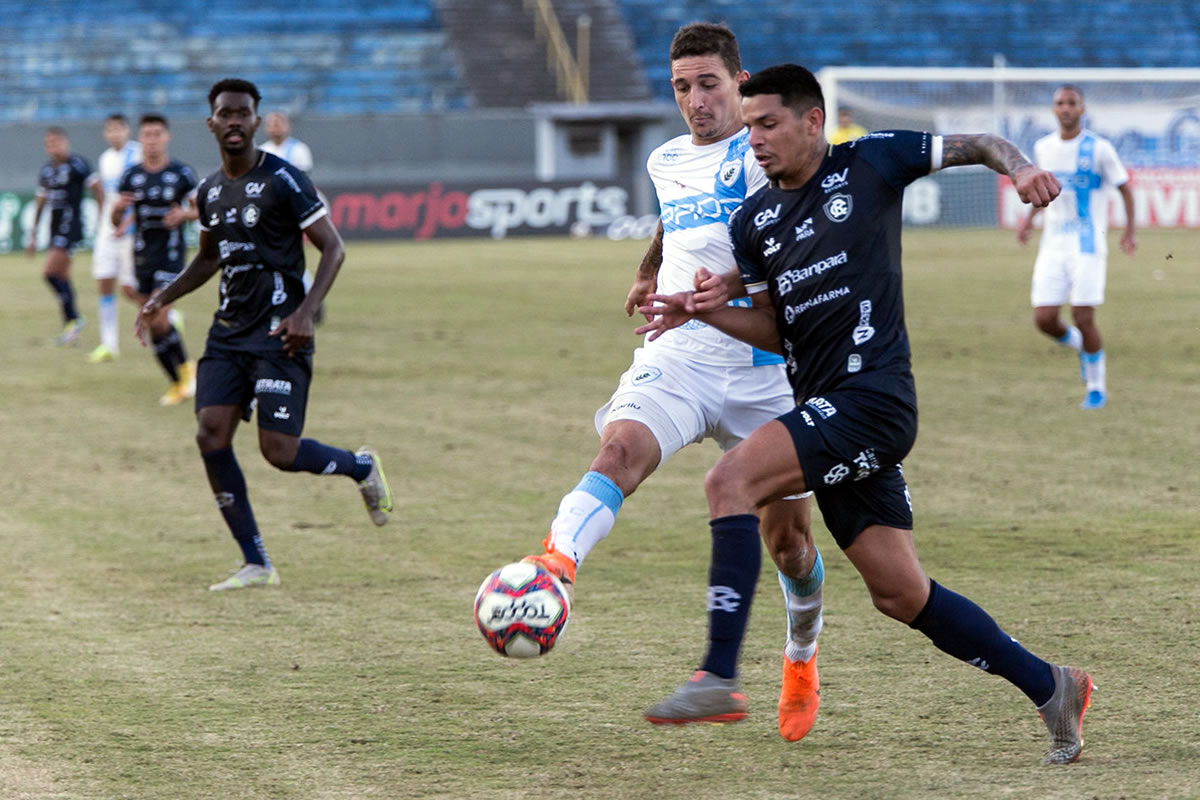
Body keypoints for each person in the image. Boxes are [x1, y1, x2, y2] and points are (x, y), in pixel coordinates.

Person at [637, 64, 1093, 765]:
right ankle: (1052, 686)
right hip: (823, 404)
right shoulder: (754, 222)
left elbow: (977, 142)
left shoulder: (871, 160)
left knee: (729, 481)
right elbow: (774, 329)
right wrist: (707, 312)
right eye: (749, 126)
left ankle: (719, 675)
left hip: (872, 398)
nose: (752, 140)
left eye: (767, 124)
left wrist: (1022, 167)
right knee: (899, 593)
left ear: (812, 121)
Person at [521, 23, 826, 741]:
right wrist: (650, 266)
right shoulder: (665, 159)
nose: (696, 100)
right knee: (619, 451)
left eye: (709, 84)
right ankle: (553, 566)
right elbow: (675, 215)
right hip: (683, 350)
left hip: (766, 366)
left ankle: (801, 657)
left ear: (740, 81)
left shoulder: (769, 151)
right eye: (683, 87)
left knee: (789, 543)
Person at [135, 78, 394, 591]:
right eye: (224, 114)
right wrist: (163, 296)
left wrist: (305, 311)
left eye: (243, 113)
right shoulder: (208, 191)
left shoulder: (284, 179)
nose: (234, 121)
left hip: (281, 333)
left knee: (278, 451)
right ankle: (256, 562)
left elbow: (333, 248)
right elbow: (209, 259)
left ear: (256, 121)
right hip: (228, 334)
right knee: (210, 434)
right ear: (211, 123)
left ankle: (360, 466)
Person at [1016, 84, 1135, 410]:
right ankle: (1086, 348)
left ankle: (1096, 387)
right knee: (1044, 319)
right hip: (1053, 244)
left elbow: (1125, 188)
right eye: (1060, 103)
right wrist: (1029, 221)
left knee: (1083, 315)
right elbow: (1042, 192)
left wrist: (1129, 231)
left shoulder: (1099, 148)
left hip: (1087, 244)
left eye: (1071, 103)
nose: (1065, 108)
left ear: (1082, 109)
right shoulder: (1043, 148)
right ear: (1054, 110)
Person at [111, 114, 199, 405]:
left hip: (171, 256)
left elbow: (201, 210)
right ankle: (179, 380)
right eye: (147, 135)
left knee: (157, 316)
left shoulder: (181, 173)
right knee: (153, 323)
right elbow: (116, 221)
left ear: (167, 137)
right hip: (142, 257)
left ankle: (187, 373)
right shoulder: (131, 176)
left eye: (157, 134)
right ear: (141, 139)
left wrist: (184, 215)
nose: (152, 140)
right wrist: (118, 209)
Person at [28, 126, 104, 345]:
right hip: (55, 227)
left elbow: (98, 189)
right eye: (50, 143)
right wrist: (33, 233)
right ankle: (72, 327)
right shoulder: (46, 171)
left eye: (58, 142)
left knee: (50, 273)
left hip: (71, 227)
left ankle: (74, 318)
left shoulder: (78, 165)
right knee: (61, 277)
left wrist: (102, 218)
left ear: (66, 142)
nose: (54, 147)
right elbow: (41, 201)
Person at [88, 114, 142, 363]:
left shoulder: (138, 155)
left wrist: (129, 224)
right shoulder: (106, 158)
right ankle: (108, 344)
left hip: (131, 231)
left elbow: (141, 197)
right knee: (104, 280)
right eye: (110, 130)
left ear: (127, 130)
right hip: (108, 230)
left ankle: (167, 315)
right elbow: (108, 196)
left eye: (119, 129)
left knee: (130, 288)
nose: (114, 134)